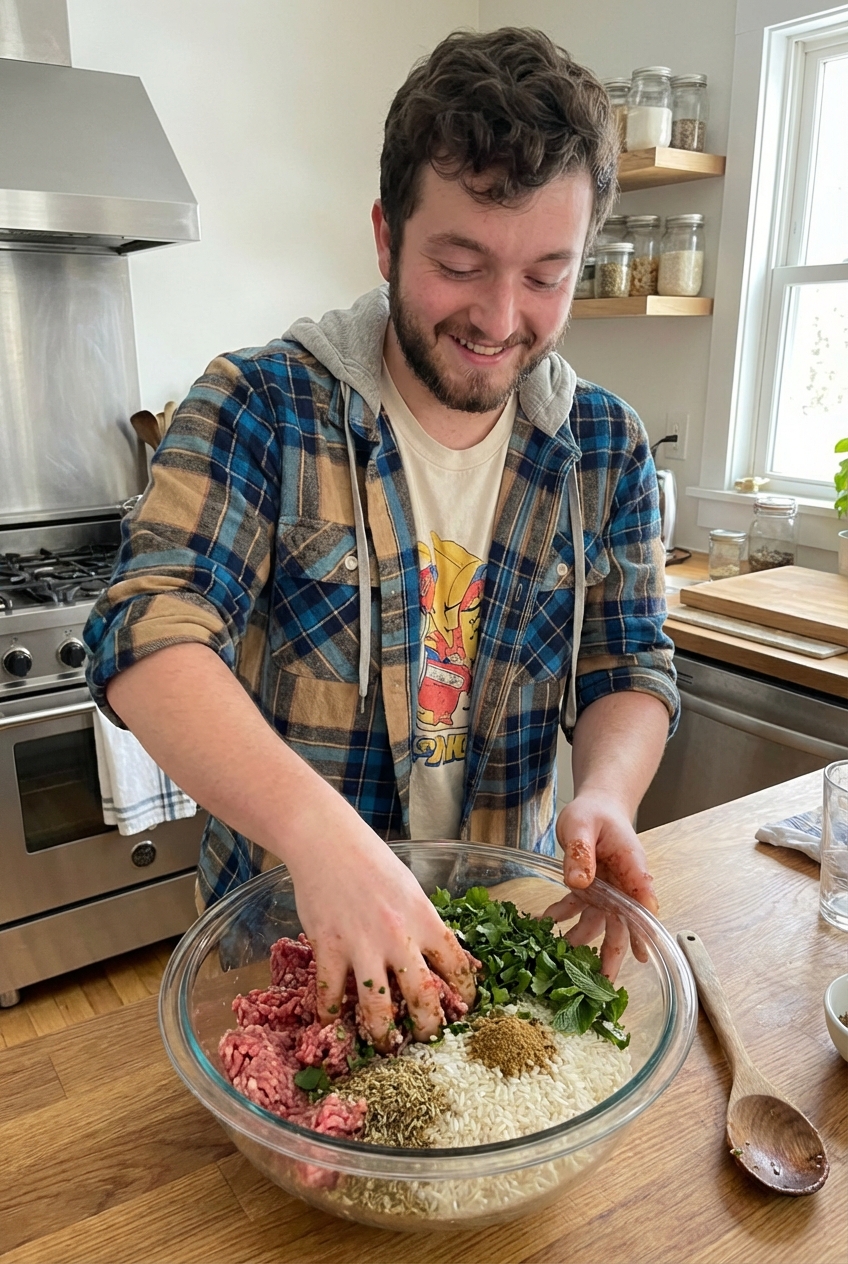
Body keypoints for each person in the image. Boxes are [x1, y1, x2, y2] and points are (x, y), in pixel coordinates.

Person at [84, 27, 678, 1054]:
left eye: (546, 275)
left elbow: (627, 663)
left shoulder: (601, 446)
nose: (500, 318)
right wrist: (325, 840)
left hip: (498, 953)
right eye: (459, 264)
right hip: (280, 952)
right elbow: (145, 634)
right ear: (384, 236)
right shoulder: (258, 406)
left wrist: (605, 794)